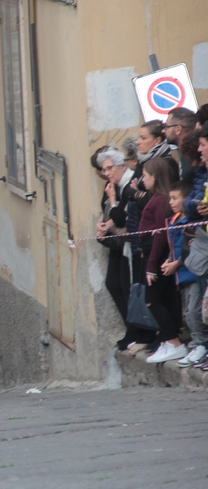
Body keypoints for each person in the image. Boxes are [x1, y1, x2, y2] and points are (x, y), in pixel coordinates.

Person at [95, 148, 147, 350]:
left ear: (122, 165)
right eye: (104, 169)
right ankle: (132, 329)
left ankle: (139, 331)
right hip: (117, 242)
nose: (106, 173)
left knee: (129, 286)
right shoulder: (112, 184)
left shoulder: (127, 184)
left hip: (128, 242)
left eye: (109, 168)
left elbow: (120, 216)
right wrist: (101, 224)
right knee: (115, 284)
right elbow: (106, 209)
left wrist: (113, 204)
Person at [139, 158, 185, 363]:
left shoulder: (159, 200)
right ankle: (168, 341)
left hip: (155, 256)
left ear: (154, 176)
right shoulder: (158, 198)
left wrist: (150, 266)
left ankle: (174, 343)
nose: (142, 179)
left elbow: (159, 235)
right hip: (155, 255)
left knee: (152, 300)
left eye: (145, 175)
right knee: (164, 299)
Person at [162, 182, 206, 367]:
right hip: (183, 273)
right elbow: (175, 247)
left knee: (195, 311)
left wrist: (176, 263)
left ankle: (201, 344)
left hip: (192, 271)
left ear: (186, 200)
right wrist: (168, 259)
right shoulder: (175, 220)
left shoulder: (190, 222)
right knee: (189, 311)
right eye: (170, 198)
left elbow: (188, 248)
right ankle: (197, 344)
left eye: (175, 198)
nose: (171, 202)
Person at [164, 107, 198, 183]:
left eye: (166, 126)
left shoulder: (194, 154)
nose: (163, 130)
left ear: (178, 129)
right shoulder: (184, 152)